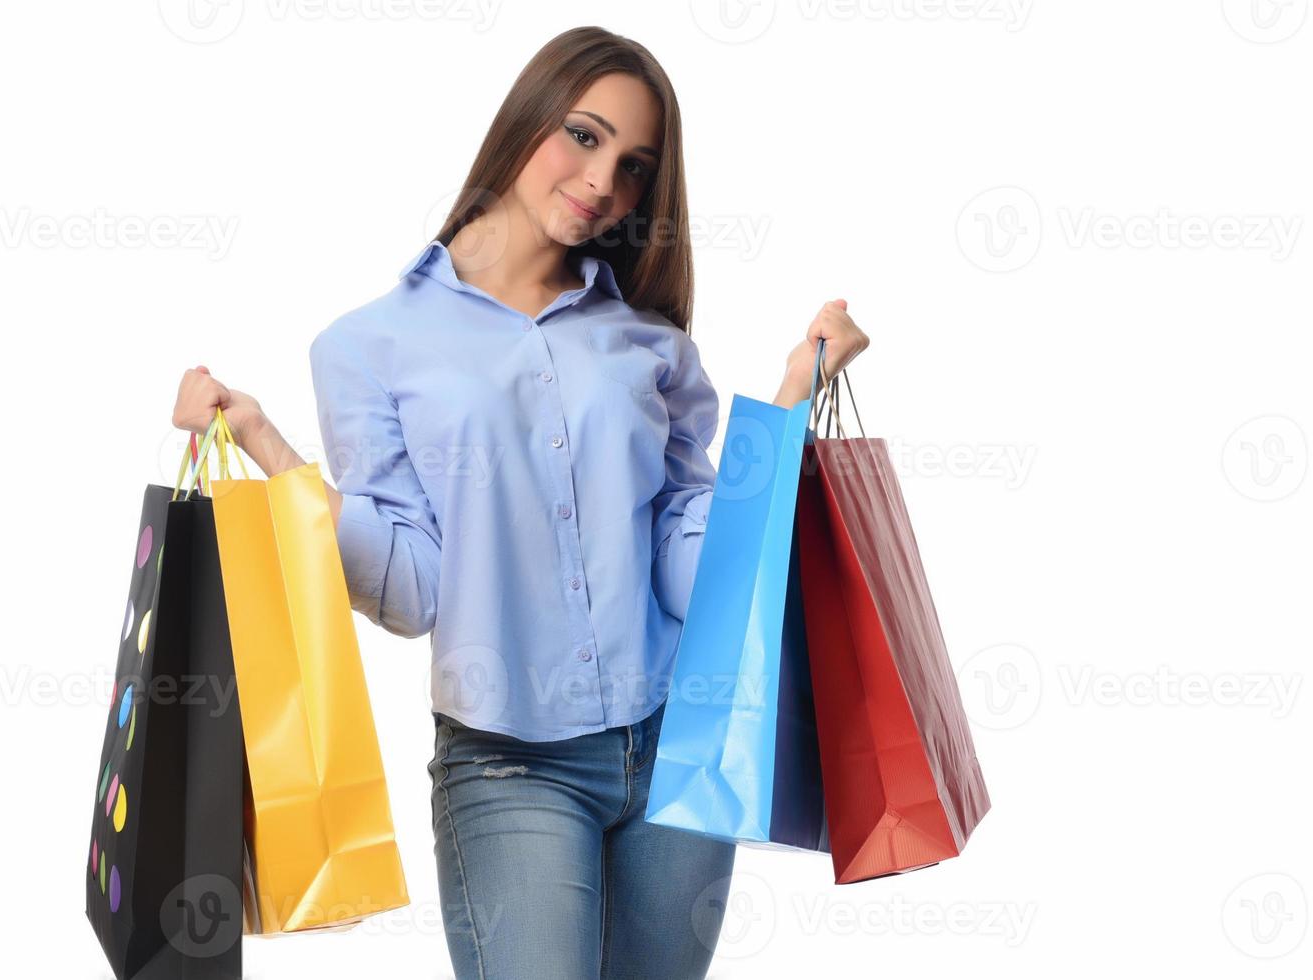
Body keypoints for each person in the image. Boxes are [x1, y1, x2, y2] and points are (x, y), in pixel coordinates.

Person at [170, 25, 869, 980]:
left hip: (677, 749)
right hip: (509, 767)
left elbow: (686, 567)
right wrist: (264, 444)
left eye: (633, 166)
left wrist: (788, 404)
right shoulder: (367, 347)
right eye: (583, 137)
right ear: (526, 119)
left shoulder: (648, 342)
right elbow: (414, 591)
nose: (602, 182)